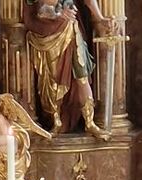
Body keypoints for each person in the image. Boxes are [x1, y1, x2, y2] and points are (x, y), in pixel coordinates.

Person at [23, 0, 111, 138]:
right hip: (47, 33)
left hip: (71, 30)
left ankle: (90, 122)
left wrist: (100, 18)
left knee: (82, 76)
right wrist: (57, 13)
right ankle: (56, 120)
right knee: (54, 79)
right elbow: (38, 10)